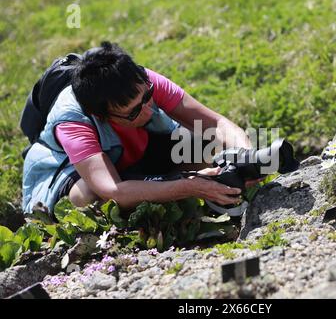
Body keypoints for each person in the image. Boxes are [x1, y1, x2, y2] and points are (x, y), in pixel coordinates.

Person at [22, 41, 262, 215]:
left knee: (203, 142)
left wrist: (245, 155)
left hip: (136, 155)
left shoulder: (141, 81)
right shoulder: (72, 120)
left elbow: (215, 123)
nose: (148, 110)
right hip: (77, 172)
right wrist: (187, 187)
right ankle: (158, 186)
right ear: (101, 115)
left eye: (147, 98)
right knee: (87, 197)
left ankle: (157, 185)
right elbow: (112, 191)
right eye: (133, 112)